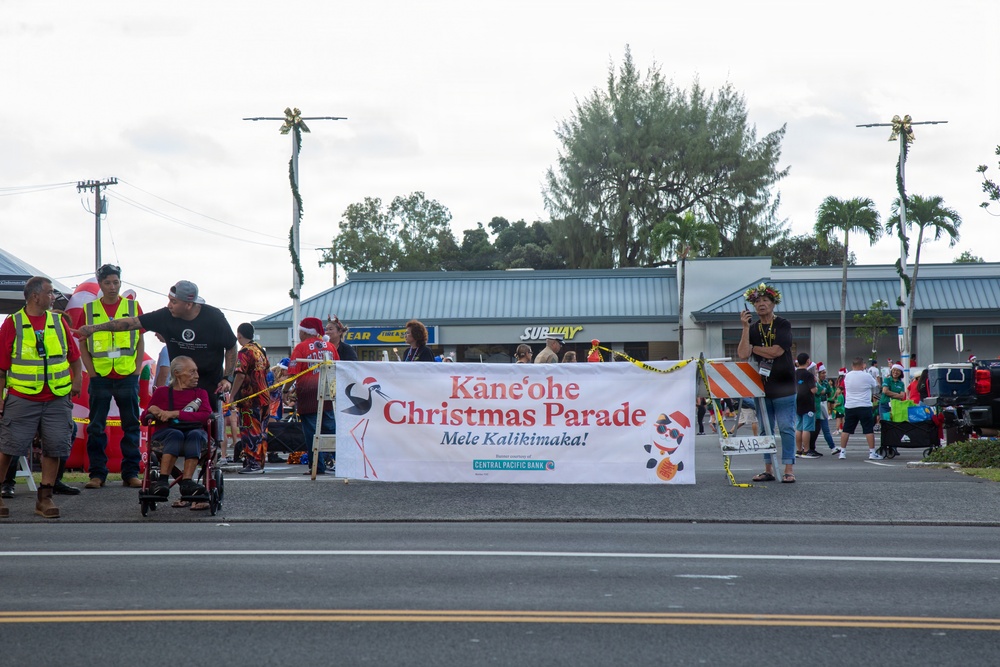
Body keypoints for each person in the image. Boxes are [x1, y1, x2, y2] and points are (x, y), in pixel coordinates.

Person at [0, 277, 84, 518]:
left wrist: (76, 380)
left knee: (56, 446)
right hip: (22, 397)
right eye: (49, 293)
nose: (53, 297)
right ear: (35, 296)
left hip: (57, 397)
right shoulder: (12, 323)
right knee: (9, 447)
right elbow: (1, 369)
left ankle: (44, 498)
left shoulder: (58, 322)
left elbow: (74, 357)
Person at [76, 280, 237, 396]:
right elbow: (130, 323)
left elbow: (231, 346)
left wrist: (227, 378)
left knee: (209, 432)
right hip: (180, 384)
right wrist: (93, 328)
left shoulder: (214, 318)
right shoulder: (166, 316)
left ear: (188, 304)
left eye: (173, 301)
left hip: (210, 385)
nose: (169, 305)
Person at [75, 264, 145, 489]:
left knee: (131, 425)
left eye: (116, 282)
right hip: (100, 376)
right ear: (101, 284)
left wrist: (136, 370)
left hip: (127, 375)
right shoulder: (90, 309)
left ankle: (130, 472)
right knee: (96, 426)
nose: (113, 287)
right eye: (108, 283)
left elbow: (141, 338)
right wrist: (92, 372)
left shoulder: (133, 307)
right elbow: (82, 342)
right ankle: (97, 474)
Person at [738, 283, 796, 484]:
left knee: (787, 427)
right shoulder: (752, 328)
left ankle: (788, 469)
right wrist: (745, 328)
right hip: (761, 387)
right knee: (765, 430)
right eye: (757, 301)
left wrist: (754, 348)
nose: (761, 304)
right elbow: (743, 354)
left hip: (785, 386)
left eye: (765, 300)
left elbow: (777, 351)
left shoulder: (783, 324)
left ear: (773, 303)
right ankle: (768, 469)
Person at [145, 356, 212, 504]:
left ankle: (187, 482)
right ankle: (163, 481)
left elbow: (206, 415)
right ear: (177, 373)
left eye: (197, 371)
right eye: (192, 372)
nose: (197, 376)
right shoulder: (162, 392)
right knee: (175, 434)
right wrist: (154, 410)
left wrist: (175, 413)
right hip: (167, 433)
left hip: (194, 432)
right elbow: (145, 417)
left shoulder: (200, 393)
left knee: (194, 435)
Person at [288, 317, 340, 475]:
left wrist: (285, 391)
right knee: (332, 430)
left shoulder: (301, 348)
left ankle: (317, 466)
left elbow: (292, 374)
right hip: (329, 394)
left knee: (312, 432)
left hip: (308, 395)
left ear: (304, 332)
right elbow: (338, 368)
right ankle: (343, 462)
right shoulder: (330, 346)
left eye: (299, 332)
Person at [230, 323, 270, 474]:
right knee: (262, 431)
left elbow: (240, 374)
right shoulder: (259, 349)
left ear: (239, 335)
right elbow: (266, 368)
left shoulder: (245, 352)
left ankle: (252, 463)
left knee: (249, 430)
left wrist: (232, 396)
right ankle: (259, 463)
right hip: (264, 396)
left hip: (250, 398)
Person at [837, 356, 882, 460]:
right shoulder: (867, 375)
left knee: (846, 429)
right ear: (863, 365)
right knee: (868, 429)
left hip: (850, 405)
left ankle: (842, 452)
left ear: (852, 365)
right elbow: (876, 385)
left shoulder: (847, 376)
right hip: (864, 405)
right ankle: (872, 452)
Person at [794, 353, 819, 458]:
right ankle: (806, 450)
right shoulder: (809, 375)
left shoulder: (794, 373)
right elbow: (813, 390)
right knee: (806, 428)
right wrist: (816, 385)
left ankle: (799, 450)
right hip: (807, 402)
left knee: (798, 427)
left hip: (796, 401)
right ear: (808, 361)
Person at [811, 363, 837, 453]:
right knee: (814, 430)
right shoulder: (814, 382)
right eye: (823, 373)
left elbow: (829, 393)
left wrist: (824, 391)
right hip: (815, 407)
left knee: (825, 428)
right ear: (818, 373)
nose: (824, 375)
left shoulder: (825, 382)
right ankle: (809, 447)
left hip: (823, 406)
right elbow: (818, 392)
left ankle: (833, 447)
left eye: (825, 373)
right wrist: (823, 391)